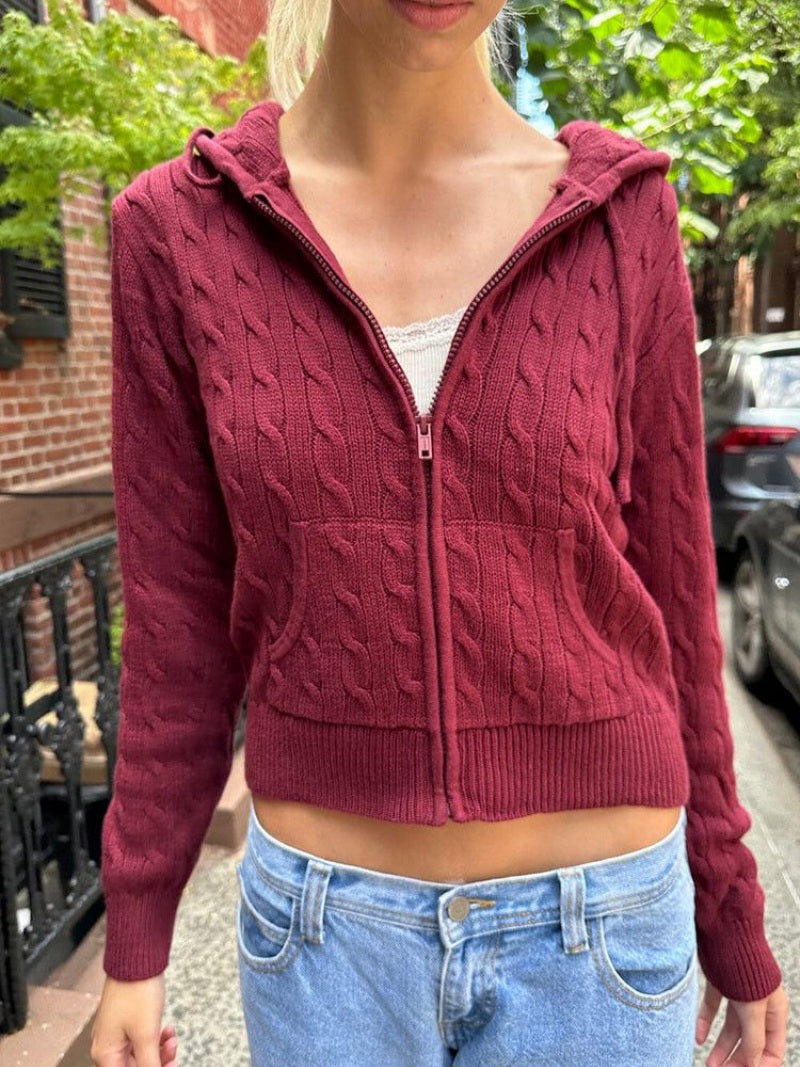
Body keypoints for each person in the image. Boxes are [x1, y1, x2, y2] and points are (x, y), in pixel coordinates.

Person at [91, 1, 790, 1065]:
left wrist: (728, 904)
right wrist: (135, 938)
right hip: (325, 947)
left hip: (601, 941)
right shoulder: (176, 232)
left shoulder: (621, 217)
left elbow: (679, 595)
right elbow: (176, 627)